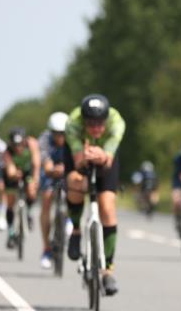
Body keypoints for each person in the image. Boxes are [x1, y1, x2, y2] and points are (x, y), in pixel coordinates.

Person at [65, 94, 126, 295]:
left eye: (100, 123)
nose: (96, 128)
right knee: (75, 183)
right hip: (79, 154)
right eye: (91, 124)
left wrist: (103, 156)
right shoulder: (73, 123)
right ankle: (75, 230)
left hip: (105, 156)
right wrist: (84, 158)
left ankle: (107, 270)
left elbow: (109, 157)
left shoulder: (116, 122)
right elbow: (77, 161)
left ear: (106, 119)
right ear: (83, 120)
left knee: (107, 206)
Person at [38, 112, 74, 269]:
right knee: (46, 198)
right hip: (51, 173)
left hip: (67, 171)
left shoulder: (73, 138)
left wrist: (67, 168)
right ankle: (46, 248)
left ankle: (70, 219)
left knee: (75, 189)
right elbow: (46, 164)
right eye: (56, 133)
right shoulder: (44, 140)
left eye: (63, 133)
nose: (60, 137)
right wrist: (53, 169)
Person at [3, 127, 41, 248]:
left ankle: (29, 213)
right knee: (10, 201)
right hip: (14, 173)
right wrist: (14, 174)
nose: (18, 148)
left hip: (27, 171)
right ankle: (10, 231)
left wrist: (35, 179)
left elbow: (36, 163)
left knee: (31, 190)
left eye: (20, 145)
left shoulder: (32, 144)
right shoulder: (7, 151)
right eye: (15, 145)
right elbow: (10, 170)